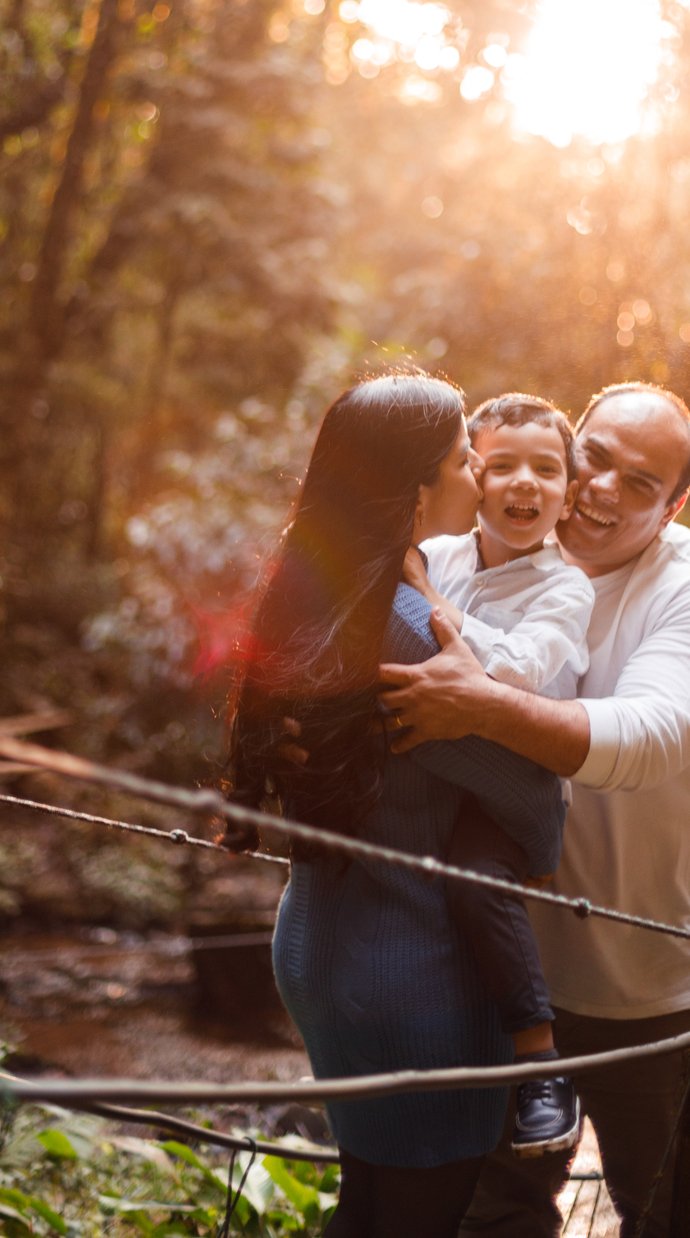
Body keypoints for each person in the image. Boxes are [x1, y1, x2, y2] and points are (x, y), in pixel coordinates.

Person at [378, 383, 690, 1238]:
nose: (600, 490)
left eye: (640, 482)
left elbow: (644, 739)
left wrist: (479, 705)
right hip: (492, 973)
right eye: (594, 458)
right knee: (490, 1220)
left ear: (674, 505)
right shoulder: (470, 550)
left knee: (674, 1219)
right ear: (568, 441)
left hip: (656, 986)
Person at [226, 373, 567, 1238]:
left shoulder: (319, 601)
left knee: (366, 1207)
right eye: (463, 459)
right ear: (416, 489)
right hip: (413, 980)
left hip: (321, 952)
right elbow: (538, 816)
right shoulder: (414, 638)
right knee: (415, 1217)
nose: (480, 472)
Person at [405, 393, 593, 1156]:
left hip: (517, 784)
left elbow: (515, 670)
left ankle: (540, 1061)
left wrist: (424, 599)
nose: (526, 484)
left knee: (475, 876)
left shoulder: (564, 586)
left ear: (568, 491)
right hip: (441, 764)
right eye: (503, 464)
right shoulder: (442, 550)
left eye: (547, 470)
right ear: (470, 474)